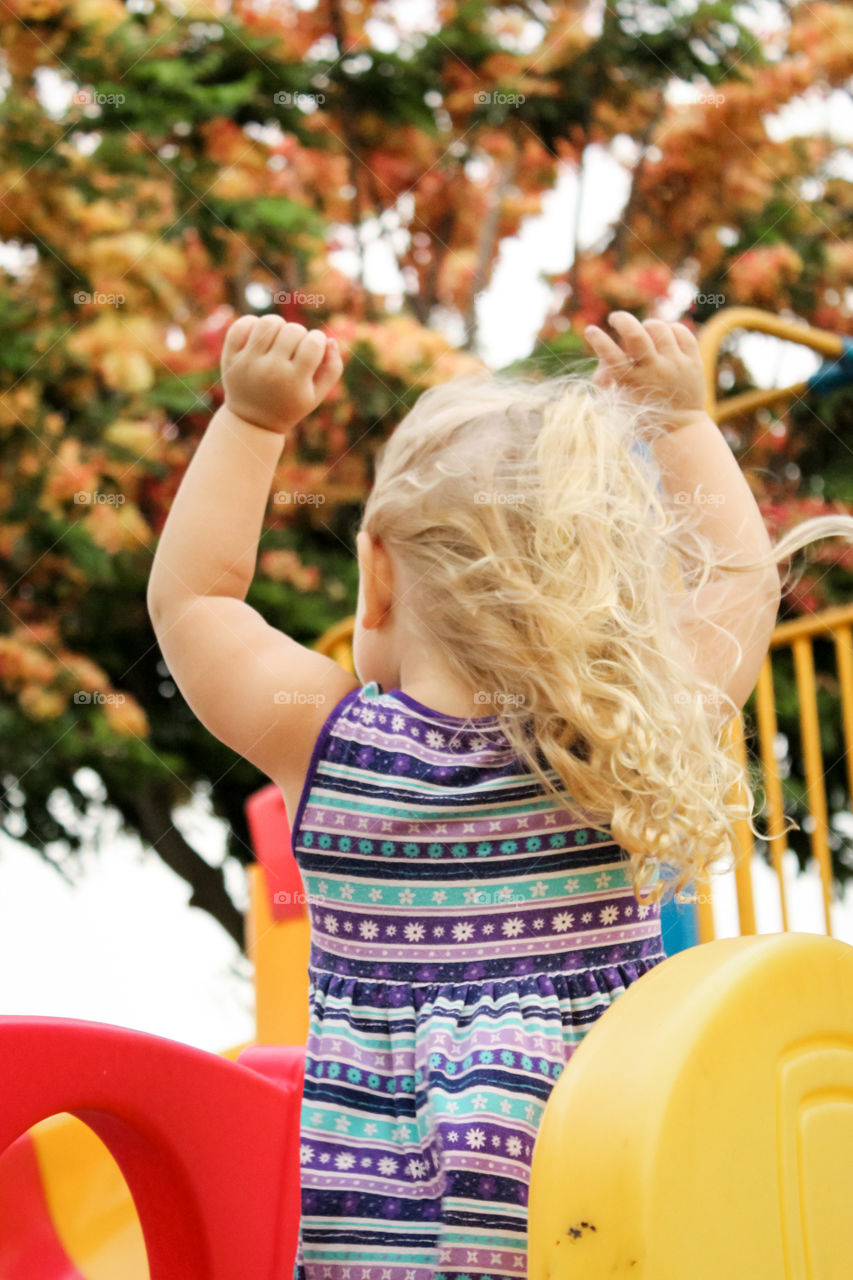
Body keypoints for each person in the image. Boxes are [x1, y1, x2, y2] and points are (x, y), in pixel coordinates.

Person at [147, 310, 852, 1280]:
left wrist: (252, 422)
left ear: (378, 577)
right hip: (612, 1197)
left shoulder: (337, 746)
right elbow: (736, 576)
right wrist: (682, 422)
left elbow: (196, 601)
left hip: (392, 1247)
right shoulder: (613, 745)